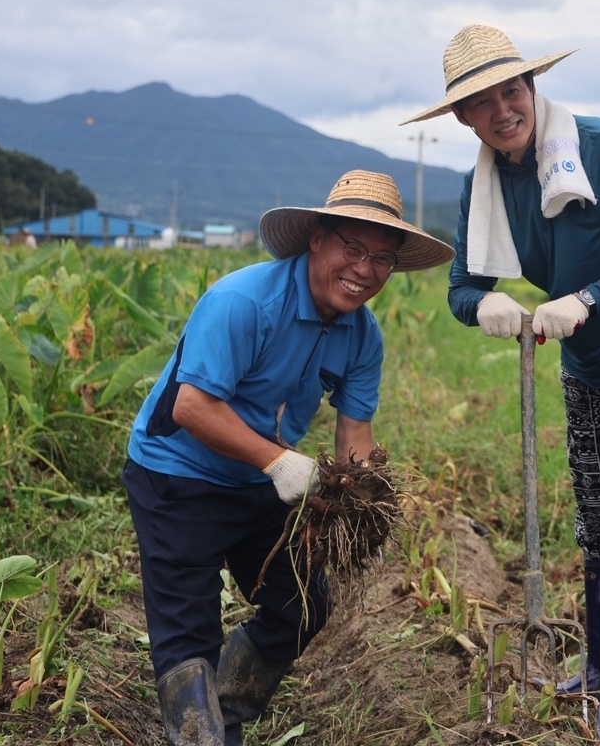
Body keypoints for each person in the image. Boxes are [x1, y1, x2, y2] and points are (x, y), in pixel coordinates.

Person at [402, 25, 600, 745]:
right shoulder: (483, 186)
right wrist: (485, 305)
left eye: (512, 89)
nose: (503, 108)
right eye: (483, 101)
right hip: (587, 366)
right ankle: (596, 666)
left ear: (531, 87)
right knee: (597, 518)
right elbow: (461, 286)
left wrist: (588, 299)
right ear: (463, 118)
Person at [122, 171, 454, 746]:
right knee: (188, 633)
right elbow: (193, 407)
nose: (363, 269)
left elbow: (354, 432)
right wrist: (279, 464)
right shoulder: (243, 302)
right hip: (177, 474)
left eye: (380, 258)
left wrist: (366, 498)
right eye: (352, 248)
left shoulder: (361, 335)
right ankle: (200, 735)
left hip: (259, 478)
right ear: (316, 240)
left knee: (301, 604)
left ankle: (224, 713)